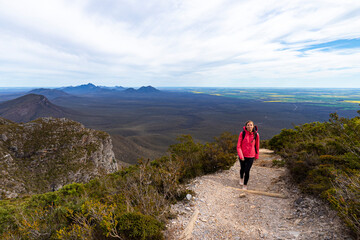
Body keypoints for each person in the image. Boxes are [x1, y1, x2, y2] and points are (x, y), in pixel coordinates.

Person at [237, 120, 260, 190]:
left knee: (247, 171)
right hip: (243, 155)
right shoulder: (242, 133)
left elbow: (257, 146)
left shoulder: (256, 135)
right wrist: (241, 156)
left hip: (251, 156)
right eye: (248, 125)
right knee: (242, 169)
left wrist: (256, 155)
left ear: (253, 126)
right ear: (246, 126)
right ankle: (241, 177)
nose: (249, 126)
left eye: (251, 125)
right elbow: (238, 146)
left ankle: (245, 184)